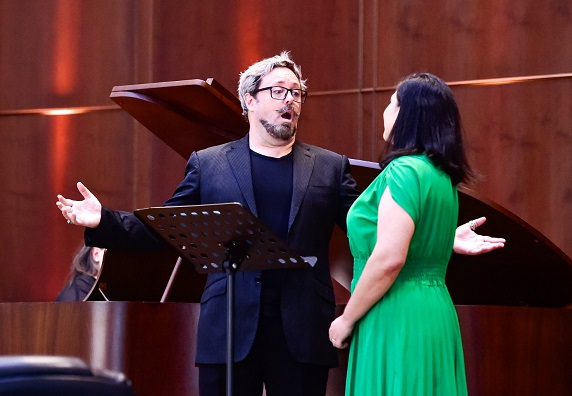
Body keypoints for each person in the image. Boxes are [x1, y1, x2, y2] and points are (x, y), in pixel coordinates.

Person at [56, 53, 503, 396]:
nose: (290, 100)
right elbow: (171, 227)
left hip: (302, 329)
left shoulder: (329, 168)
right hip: (230, 328)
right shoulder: (209, 165)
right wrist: (105, 221)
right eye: (278, 91)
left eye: (296, 93)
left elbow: (370, 227)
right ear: (249, 100)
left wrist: (443, 236)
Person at [328, 73, 481, 395]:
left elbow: (389, 258)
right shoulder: (441, 176)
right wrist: (445, 239)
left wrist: (347, 319)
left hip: (395, 310)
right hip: (434, 310)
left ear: (406, 114)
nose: (386, 110)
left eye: (391, 102)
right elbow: (417, 241)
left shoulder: (404, 171)